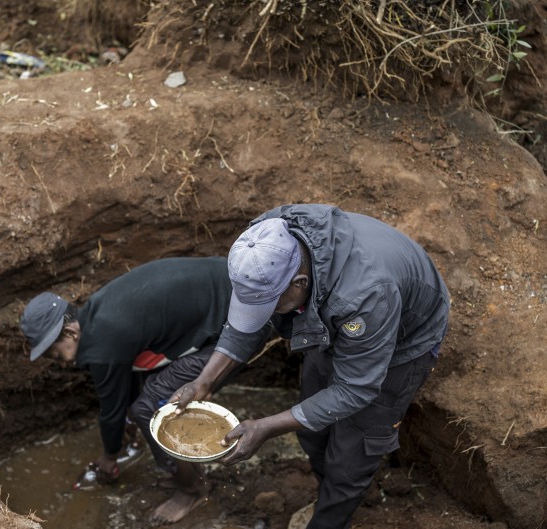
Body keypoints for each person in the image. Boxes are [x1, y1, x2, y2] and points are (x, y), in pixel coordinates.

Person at [170, 204, 450, 529]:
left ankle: (332, 515)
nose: (266, 314)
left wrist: (267, 427)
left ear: (299, 283)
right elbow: (252, 321)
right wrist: (205, 380)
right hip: (327, 315)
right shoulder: (265, 240)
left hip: (401, 341)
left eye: (270, 305)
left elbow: (356, 388)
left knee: (350, 459)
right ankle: (325, 490)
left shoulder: (363, 296)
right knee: (314, 435)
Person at [19, 256, 272, 525]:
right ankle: (188, 468)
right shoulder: (98, 315)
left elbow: (111, 411)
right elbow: (124, 380)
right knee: (152, 392)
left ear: (70, 333)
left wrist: (109, 456)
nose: (57, 361)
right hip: (240, 293)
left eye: (53, 353)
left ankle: (192, 490)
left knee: (149, 408)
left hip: (244, 321)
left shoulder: (102, 347)